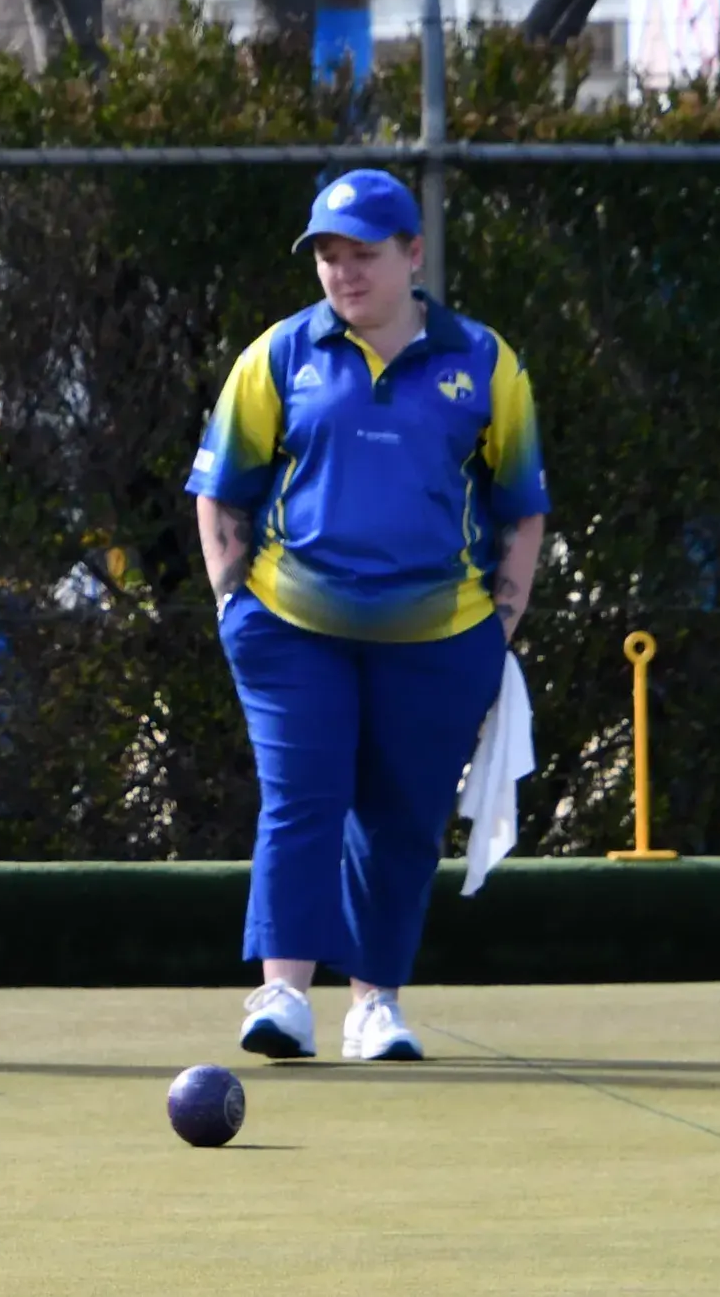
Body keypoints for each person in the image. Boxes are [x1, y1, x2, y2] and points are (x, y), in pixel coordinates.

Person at [184, 168, 548, 1062]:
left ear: (413, 256)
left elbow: (521, 505)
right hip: (291, 629)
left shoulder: (485, 363)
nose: (343, 275)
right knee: (300, 802)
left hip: (439, 639)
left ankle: (375, 1006)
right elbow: (220, 490)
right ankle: (281, 998)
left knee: (404, 818)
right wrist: (234, 603)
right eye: (329, 258)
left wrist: (498, 628)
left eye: (364, 256)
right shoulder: (277, 356)